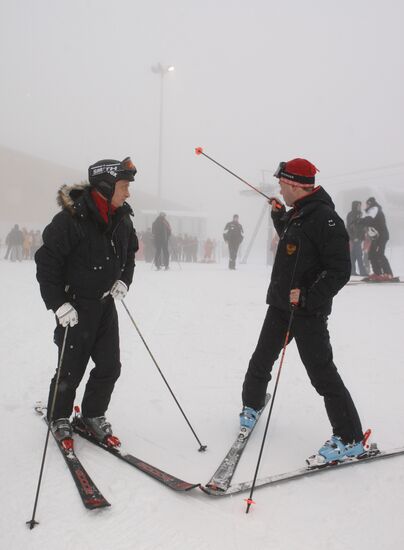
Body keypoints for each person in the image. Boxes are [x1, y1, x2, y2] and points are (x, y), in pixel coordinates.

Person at [240, 158, 367, 466]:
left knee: (322, 374)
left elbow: (339, 270)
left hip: (308, 312)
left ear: (296, 185)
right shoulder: (298, 214)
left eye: (283, 185)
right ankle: (252, 405)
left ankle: (350, 438)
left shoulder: (327, 220)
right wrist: (278, 216)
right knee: (261, 359)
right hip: (281, 306)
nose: (280, 189)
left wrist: (308, 296)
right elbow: (296, 239)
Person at [35, 157, 138, 446]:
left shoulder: (122, 218)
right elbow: (46, 262)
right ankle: (59, 416)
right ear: (105, 187)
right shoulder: (72, 218)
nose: (128, 193)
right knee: (70, 368)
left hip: (105, 305)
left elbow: (129, 253)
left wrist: (123, 280)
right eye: (123, 186)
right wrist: (58, 303)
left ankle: (92, 414)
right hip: (76, 308)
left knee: (109, 366)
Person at [359, 197, 393, 281]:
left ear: (370, 203)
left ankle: (388, 273)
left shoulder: (374, 208)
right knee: (371, 254)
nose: (365, 206)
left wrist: (360, 221)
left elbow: (368, 220)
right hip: (376, 237)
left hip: (382, 236)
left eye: (366, 204)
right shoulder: (370, 210)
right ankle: (377, 273)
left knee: (379, 254)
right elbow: (367, 220)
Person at [346, 201, 367, 276]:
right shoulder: (351, 214)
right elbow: (350, 227)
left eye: (360, 206)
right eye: (358, 206)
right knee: (358, 255)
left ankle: (352, 271)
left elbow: (360, 227)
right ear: (355, 206)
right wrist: (354, 237)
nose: (359, 207)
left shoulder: (359, 214)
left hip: (358, 238)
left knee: (354, 255)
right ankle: (361, 272)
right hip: (354, 239)